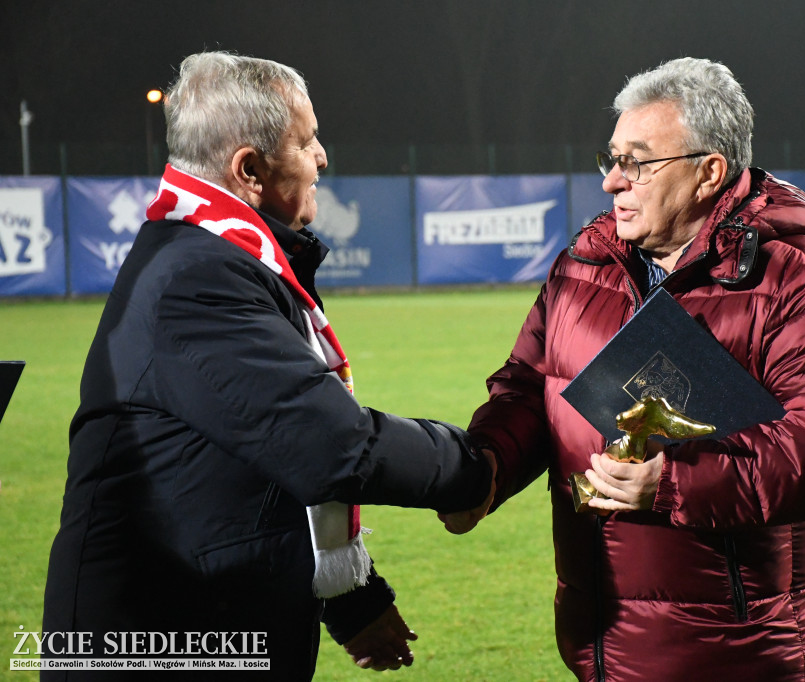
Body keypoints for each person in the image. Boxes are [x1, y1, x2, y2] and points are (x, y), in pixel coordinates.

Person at [42, 52, 494, 680]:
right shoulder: (196, 277)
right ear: (249, 168)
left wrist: (351, 594)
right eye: (306, 141)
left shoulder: (206, 256)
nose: (322, 157)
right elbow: (330, 443)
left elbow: (259, 454)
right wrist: (471, 468)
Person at [442, 57, 805, 681]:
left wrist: (676, 483)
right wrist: (487, 468)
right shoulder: (582, 267)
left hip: (746, 652)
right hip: (603, 641)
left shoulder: (799, 279)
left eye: (638, 161)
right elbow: (529, 387)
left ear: (708, 172)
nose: (612, 182)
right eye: (612, 158)